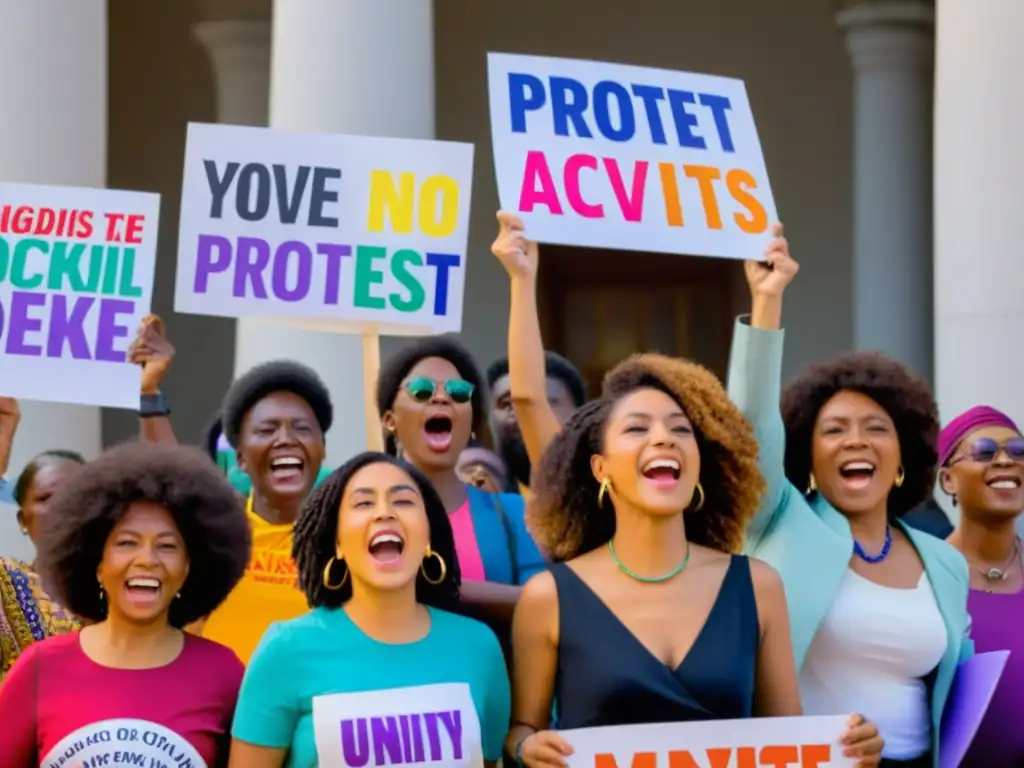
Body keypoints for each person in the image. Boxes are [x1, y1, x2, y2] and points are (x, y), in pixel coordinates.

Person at [509, 353, 883, 767]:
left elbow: (787, 736)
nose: (664, 439)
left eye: (680, 429)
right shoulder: (549, 597)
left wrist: (848, 747)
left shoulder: (758, 586)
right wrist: (526, 748)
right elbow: (523, 727)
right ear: (601, 468)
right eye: (637, 428)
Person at [728, 224, 971, 767]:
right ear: (806, 457)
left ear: (904, 454)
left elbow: (954, 697)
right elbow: (750, 428)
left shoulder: (944, 563)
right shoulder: (780, 523)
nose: (855, 440)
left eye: (875, 428)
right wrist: (767, 302)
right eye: (834, 429)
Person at [229, 452, 509, 768]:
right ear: (337, 544)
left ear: (429, 536)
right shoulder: (286, 649)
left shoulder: (478, 647)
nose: (384, 513)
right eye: (364, 503)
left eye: (403, 501)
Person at [0, 441, 251, 767]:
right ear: (97, 561)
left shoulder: (223, 672)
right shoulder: (39, 667)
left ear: (189, 565)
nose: (146, 560)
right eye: (127, 542)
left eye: (166, 545)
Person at [376, 335, 545, 627]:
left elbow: (544, 605)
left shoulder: (512, 512)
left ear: (471, 421)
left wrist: (442, 586)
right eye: (421, 390)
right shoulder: (364, 514)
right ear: (390, 420)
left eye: (458, 392)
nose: (441, 398)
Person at [196, 359, 333, 662]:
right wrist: (150, 397)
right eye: (267, 429)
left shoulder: (348, 540)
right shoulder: (213, 536)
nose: (285, 439)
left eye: (301, 428)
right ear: (241, 459)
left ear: (322, 448)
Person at [941, 406, 1024, 766]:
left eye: (1019, 451)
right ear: (948, 480)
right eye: (986, 451)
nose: (1005, 461)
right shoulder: (924, 575)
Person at [489, 213, 587, 486]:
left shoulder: (593, 495)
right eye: (504, 404)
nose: (660, 440)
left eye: (550, 400)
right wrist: (522, 278)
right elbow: (528, 400)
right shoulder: (480, 494)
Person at [0, 398, 85, 681]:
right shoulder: (6, 581)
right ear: (23, 520)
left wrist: (149, 398)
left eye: (76, 494)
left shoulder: (129, 588)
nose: (62, 506)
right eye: (47, 497)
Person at [487, 351, 586, 495]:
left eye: (538, 401)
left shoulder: (609, 496)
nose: (519, 412)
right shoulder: (479, 501)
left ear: (579, 415)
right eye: (506, 403)